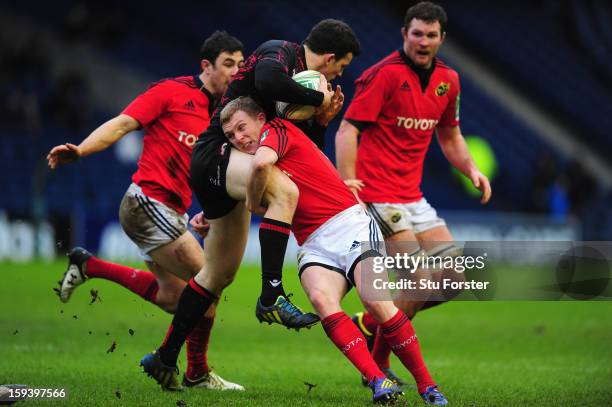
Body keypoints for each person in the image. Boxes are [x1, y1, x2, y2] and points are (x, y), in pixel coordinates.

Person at [140, 19, 360, 391]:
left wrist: (321, 119)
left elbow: (300, 148)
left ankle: (165, 356)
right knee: (286, 193)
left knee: (216, 274)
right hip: (217, 153)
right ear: (330, 57)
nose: (340, 73)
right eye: (342, 65)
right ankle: (272, 293)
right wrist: (316, 98)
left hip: (224, 166)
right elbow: (269, 81)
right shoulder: (280, 52)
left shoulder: (298, 88)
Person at [46, 31, 245, 390]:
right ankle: (195, 371)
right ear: (206, 66)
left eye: (239, 65)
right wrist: (81, 150)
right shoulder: (170, 92)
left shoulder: (225, 118)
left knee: (173, 298)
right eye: (228, 64)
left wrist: (204, 214)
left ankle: (89, 265)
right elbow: (122, 123)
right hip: (146, 203)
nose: (235, 71)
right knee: (208, 282)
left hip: (173, 212)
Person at [222, 96, 449, 405]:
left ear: (261, 118)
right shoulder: (256, 154)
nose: (238, 138)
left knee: (376, 301)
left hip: (351, 226)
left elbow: (261, 167)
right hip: (314, 243)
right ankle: (378, 381)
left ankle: (428, 386)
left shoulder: (277, 130)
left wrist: (250, 202)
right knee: (322, 300)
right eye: (230, 135)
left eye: (241, 127)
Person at [335, 1, 492, 385]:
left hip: (412, 195)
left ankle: (372, 322)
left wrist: (471, 168)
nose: (423, 41)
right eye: (417, 33)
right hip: (376, 193)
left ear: (442, 38)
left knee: (455, 278)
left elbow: (449, 134)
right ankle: (381, 362)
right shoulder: (383, 75)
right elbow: (347, 131)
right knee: (419, 279)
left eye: (431, 34)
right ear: (404, 34)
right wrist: (349, 182)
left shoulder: (448, 80)